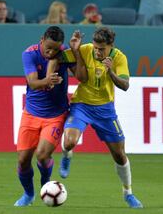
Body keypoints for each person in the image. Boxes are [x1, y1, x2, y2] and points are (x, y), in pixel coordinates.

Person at [57, 28, 144, 208]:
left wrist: (110, 72)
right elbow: (58, 57)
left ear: (111, 46)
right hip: (81, 105)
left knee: (119, 155)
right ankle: (67, 155)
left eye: (101, 49)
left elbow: (125, 85)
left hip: (105, 110)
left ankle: (128, 193)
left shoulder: (119, 58)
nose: (97, 51)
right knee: (70, 141)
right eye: (96, 48)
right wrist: (71, 51)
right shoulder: (86, 49)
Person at [14, 26, 76, 207]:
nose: (51, 52)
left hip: (56, 115)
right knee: (23, 160)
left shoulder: (65, 53)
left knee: (41, 155)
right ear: (42, 40)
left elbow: (81, 75)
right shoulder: (30, 54)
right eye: (48, 47)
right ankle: (29, 195)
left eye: (56, 49)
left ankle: (45, 185)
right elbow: (33, 83)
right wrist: (48, 81)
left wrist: (76, 53)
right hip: (31, 113)